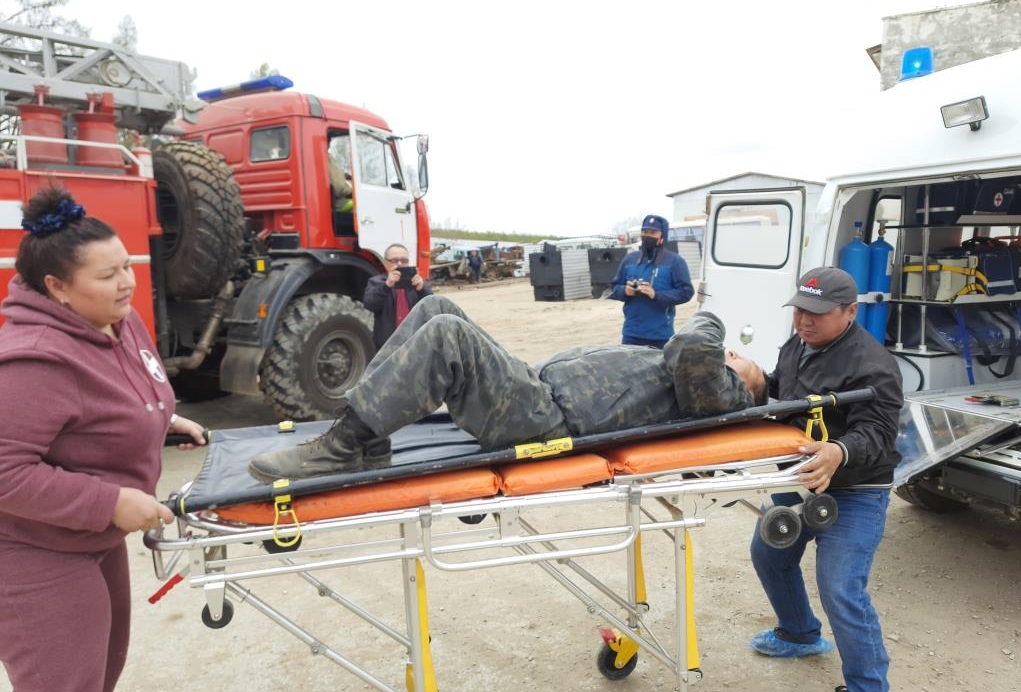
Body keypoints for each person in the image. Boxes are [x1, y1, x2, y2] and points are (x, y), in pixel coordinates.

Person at [0, 188, 206, 692]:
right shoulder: (34, 358)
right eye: (108, 274)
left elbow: (123, 390)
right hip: (32, 550)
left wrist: (162, 418)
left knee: (101, 674)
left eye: (127, 266)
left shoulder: (120, 321)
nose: (126, 283)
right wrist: (110, 501)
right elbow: (6, 473)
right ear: (58, 287)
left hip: (92, 536)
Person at [248, 294, 766, 482]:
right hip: (538, 393)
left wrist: (713, 324)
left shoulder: (725, 398)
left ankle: (341, 448)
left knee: (449, 335)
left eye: (746, 363)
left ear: (749, 387)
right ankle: (365, 435)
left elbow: (692, 347)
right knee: (437, 310)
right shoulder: (695, 375)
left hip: (549, 423)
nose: (735, 357)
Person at [748, 267, 902, 692]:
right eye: (799, 310)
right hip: (802, 477)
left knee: (840, 587)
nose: (804, 321)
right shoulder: (798, 345)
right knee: (769, 553)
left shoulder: (874, 365)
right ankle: (799, 634)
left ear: (850, 311)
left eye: (816, 312)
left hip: (856, 488)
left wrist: (838, 450)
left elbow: (878, 432)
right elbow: (790, 392)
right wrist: (759, 383)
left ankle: (868, 686)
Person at [610, 214, 694, 349]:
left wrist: (656, 295)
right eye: (645, 232)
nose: (647, 235)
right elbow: (614, 288)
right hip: (631, 334)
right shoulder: (630, 259)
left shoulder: (675, 261)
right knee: (631, 370)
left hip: (660, 336)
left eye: (653, 232)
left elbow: (686, 292)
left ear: (662, 236)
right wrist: (625, 291)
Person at [362, 243, 432, 351]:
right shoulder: (377, 281)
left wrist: (422, 288)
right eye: (394, 260)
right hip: (387, 345)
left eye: (404, 261)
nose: (400, 264)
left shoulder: (416, 283)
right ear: (386, 264)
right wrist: (387, 285)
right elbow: (370, 304)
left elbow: (431, 307)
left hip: (413, 342)